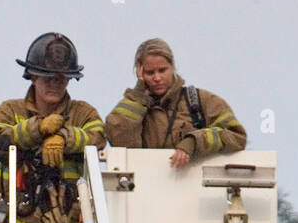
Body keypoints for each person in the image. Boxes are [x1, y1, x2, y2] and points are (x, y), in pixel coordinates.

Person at [0, 33, 105, 223]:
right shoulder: (10, 109)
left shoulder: (84, 114)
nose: (54, 84)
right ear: (32, 76)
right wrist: (38, 128)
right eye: (47, 77)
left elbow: (98, 137)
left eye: (61, 79)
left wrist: (64, 137)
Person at [105, 39, 246, 168]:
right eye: (149, 72)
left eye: (162, 70)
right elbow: (119, 140)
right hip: (147, 188)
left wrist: (193, 142)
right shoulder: (134, 106)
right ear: (140, 73)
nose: (157, 78)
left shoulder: (202, 100)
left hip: (198, 189)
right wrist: (138, 94)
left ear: (173, 67)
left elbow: (236, 137)